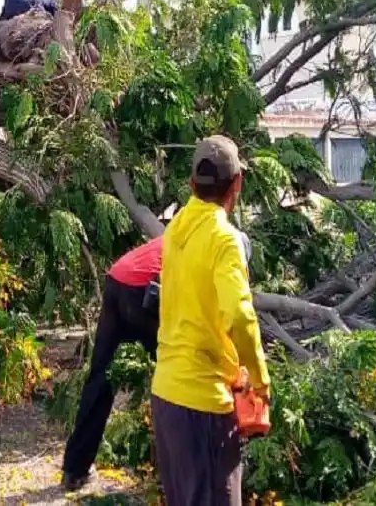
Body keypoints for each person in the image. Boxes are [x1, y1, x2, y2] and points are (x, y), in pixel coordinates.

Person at [150, 135, 270, 506]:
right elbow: (239, 314)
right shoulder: (225, 239)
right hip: (204, 404)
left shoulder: (175, 231)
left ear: (190, 185)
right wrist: (260, 380)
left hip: (166, 396)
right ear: (237, 184)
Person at [61, 236, 163, 490]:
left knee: (101, 375)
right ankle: (168, 471)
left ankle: (75, 470)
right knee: (176, 375)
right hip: (142, 290)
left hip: (117, 278)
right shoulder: (213, 244)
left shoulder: (188, 226)